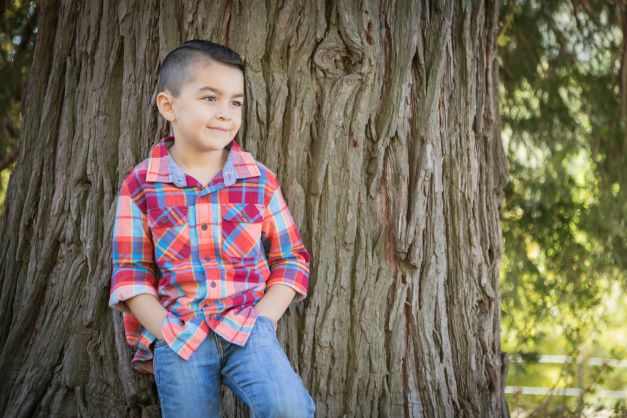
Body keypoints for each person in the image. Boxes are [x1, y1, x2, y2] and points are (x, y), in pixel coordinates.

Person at [108, 39, 315, 418]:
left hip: (248, 327)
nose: (225, 113)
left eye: (235, 102)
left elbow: (291, 258)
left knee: (288, 408)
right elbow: (130, 273)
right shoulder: (142, 184)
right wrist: (166, 329)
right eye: (209, 98)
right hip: (180, 333)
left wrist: (262, 321)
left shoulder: (258, 180)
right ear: (168, 106)